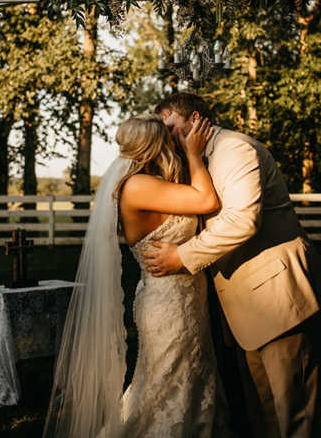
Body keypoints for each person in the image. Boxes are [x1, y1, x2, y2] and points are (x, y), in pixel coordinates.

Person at [145, 92, 321, 438]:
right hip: (247, 306)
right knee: (266, 412)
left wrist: (181, 257)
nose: (166, 138)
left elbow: (242, 222)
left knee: (296, 414)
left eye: (171, 128)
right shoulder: (196, 158)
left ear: (198, 120)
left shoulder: (235, 150)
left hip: (279, 296)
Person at [43, 113, 232, 438]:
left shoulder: (149, 182)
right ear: (155, 145)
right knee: (164, 386)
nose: (174, 142)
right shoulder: (137, 185)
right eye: (168, 138)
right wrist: (194, 154)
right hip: (169, 304)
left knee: (185, 379)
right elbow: (206, 200)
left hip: (184, 299)